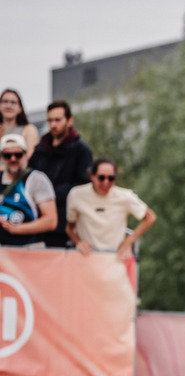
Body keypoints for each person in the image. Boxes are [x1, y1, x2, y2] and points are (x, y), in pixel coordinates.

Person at [28, 100, 93, 248]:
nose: (53, 124)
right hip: (37, 223)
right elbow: (28, 178)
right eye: (50, 120)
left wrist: (52, 194)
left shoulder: (81, 151)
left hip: (65, 226)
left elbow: (84, 184)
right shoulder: (40, 151)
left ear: (69, 121)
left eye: (58, 120)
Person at [66, 158, 157, 260]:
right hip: (86, 258)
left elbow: (150, 217)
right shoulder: (76, 195)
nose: (106, 182)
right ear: (92, 176)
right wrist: (78, 242)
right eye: (101, 178)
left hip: (115, 258)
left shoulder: (124, 196)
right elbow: (69, 228)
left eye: (111, 178)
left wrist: (128, 241)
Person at [0, 134, 57, 246]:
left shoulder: (36, 179)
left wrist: (16, 229)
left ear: (25, 155)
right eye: (7, 155)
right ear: (2, 157)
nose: (13, 159)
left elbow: (51, 221)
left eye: (18, 154)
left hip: (29, 248)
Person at [0, 89, 39, 160]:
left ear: (20, 108)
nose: (9, 106)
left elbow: (31, 157)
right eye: (5, 101)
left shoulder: (28, 129)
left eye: (13, 102)